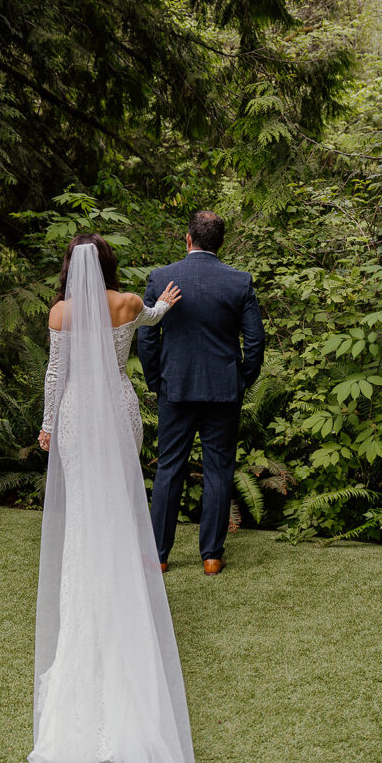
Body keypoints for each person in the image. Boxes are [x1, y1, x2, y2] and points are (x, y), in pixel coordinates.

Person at [30, 234, 251, 763]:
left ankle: (87, 613)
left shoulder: (61, 311)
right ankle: (123, 591)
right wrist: (160, 305)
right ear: (112, 270)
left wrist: (45, 426)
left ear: (71, 269)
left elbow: (56, 377)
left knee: (86, 515)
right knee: (119, 510)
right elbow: (149, 322)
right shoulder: (128, 301)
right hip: (119, 411)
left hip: (75, 418)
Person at [138, 211, 265, 575]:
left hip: (174, 389)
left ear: (188, 238)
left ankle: (159, 556)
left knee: (169, 468)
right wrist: (241, 380)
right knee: (219, 470)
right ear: (220, 243)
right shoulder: (239, 282)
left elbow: (147, 335)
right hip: (223, 391)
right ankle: (211, 556)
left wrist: (156, 380)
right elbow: (255, 340)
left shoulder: (162, 277)